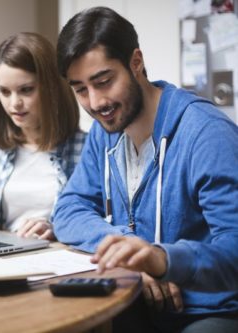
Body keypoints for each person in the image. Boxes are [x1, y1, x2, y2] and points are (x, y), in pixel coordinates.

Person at [54, 6, 238, 333]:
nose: (95, 103)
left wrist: (162, 260)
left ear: (136, 62)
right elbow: (68, 209)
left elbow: (234, 250)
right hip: (137, 299)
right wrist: (126, 246)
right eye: (81, 89)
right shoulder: (105, 133)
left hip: (212, 310)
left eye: (104, 81)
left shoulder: (207, 135)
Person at [0, 32, 85, 240]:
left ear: (52, 88)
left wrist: (56, 230)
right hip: (0, 260)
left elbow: (99, 219)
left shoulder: (85, 149)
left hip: (56, 261)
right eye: (4, 92)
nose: (14, 103)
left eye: (26, 90)